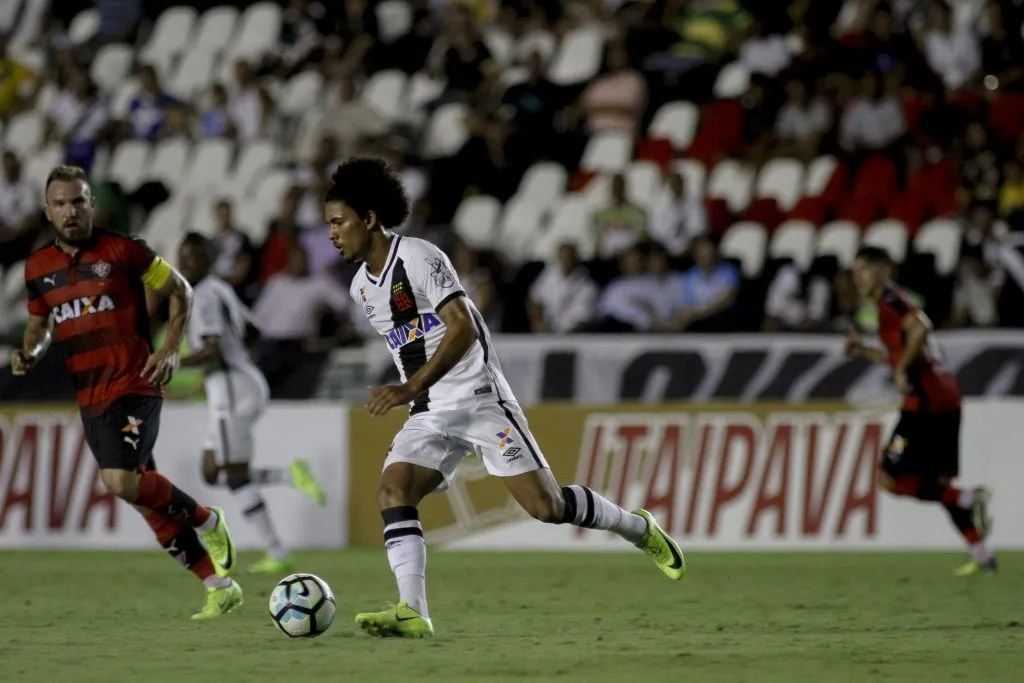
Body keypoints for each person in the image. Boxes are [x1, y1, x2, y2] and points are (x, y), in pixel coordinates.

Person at [325, 157, 685, 639]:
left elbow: (464, 328)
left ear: (368, 219)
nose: (332, 234)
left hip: (478, 400)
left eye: (338, 222)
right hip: (430, 412)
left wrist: (409, 387)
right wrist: (415, 396)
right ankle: (413, 611)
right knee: (393, 491)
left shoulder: (419, 257)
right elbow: (412, 346)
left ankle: (637, 528)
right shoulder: (359, 289)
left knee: (548, 507)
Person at [13, 165, 242, 619]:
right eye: (60, 203)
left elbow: (181, 291)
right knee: (139, 496)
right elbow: (39, 327)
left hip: (137, 380)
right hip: (90, 395)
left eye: (79, 200)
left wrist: (172, 347)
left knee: (118, 481)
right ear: (47, 210)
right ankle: (219, 586)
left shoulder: (124, 250)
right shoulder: (38, 268)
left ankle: (209, 520)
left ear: (91, 204)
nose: (71, 210)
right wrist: (30, 353)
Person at [176, 232, 327, 575]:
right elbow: (254, 331)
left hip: (231, 392)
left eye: (193, 257)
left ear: (208, 260)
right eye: (182, 257)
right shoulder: (220, 288)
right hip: (237, 384)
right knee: (212, 471)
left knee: (235, 475)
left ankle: (276, 550)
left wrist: (173, 361)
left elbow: (212, 348)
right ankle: (288, 475)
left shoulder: (202, 296)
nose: (186, 263)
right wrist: (235, 361)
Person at [846, 246, 995, 576]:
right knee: (937, 484)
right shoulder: (887, 307)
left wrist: (901, 372)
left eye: (865, 268)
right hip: (947, 402)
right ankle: (982, 554)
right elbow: (900, 353)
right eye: (856, 270)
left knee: (889, 475)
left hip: (922, 407)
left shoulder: (890, 301)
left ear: (885, 270)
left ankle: (970, 496)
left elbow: (920, 327)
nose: (858, 277)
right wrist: (864, 351)